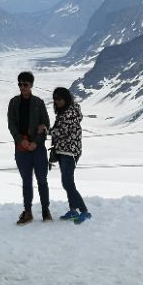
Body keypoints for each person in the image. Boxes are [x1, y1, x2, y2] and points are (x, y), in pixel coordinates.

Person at [7, 72, 51, 224]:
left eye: (25, 84)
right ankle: (28, 212)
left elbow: (46, 124)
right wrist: (20, 140)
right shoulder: (13, 102)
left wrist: (36, 142)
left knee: (42, 180)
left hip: (37, 149)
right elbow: (11, 125)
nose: (22, 87)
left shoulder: (38, 103)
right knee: (26, 181)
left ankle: (45, 211)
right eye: (20, 84)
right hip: (22, 149)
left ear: (31, 85)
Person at [49, 86, 90, 223]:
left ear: (66, 98)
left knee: (68, 183)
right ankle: (73, 210)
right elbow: (58, 130)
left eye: (59, 99)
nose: (57, 102)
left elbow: (62, 132)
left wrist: (46, 132)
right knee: (67, 182)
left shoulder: (70, 112)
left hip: (70, 152)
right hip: (63, 151)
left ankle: (84, 211)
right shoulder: (63, 111)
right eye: (55, 100)